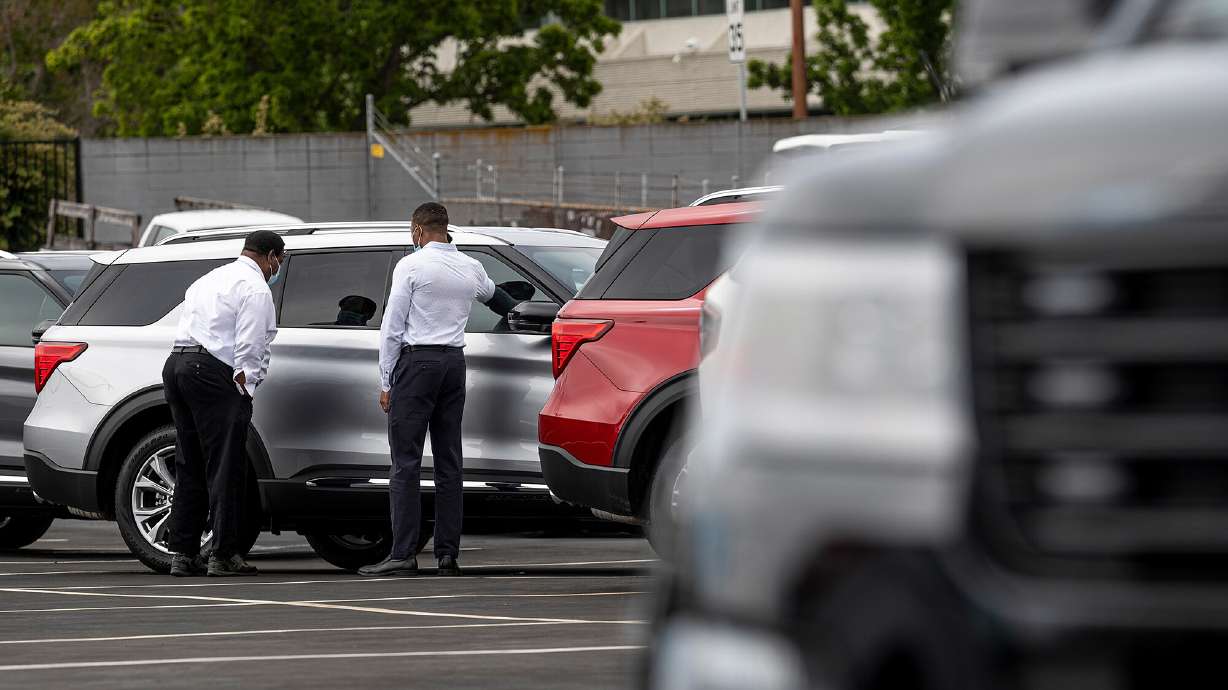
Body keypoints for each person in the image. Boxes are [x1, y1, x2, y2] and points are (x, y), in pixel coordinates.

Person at [361, 202, 495, 577]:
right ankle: (447, 554)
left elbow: (392, 326)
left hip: (418, 364)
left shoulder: (411, 265)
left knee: (405, 462)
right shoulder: (471, 266)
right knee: (449, 462)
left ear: (417, 231)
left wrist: (385, 380)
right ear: (446, 228)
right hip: (455, 364)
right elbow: (491, 293)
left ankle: (403, 552)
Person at [163, 229, 283, 577]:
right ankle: (224, 554)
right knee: (226, 465)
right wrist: (246, 388)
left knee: (191, 462)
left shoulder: (210, 278)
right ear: (271, 256)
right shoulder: (256, 288)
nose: (277, 269)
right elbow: (250, 346)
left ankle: (182, 554)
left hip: (178, 364)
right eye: (279, 261)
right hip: (214, 371)